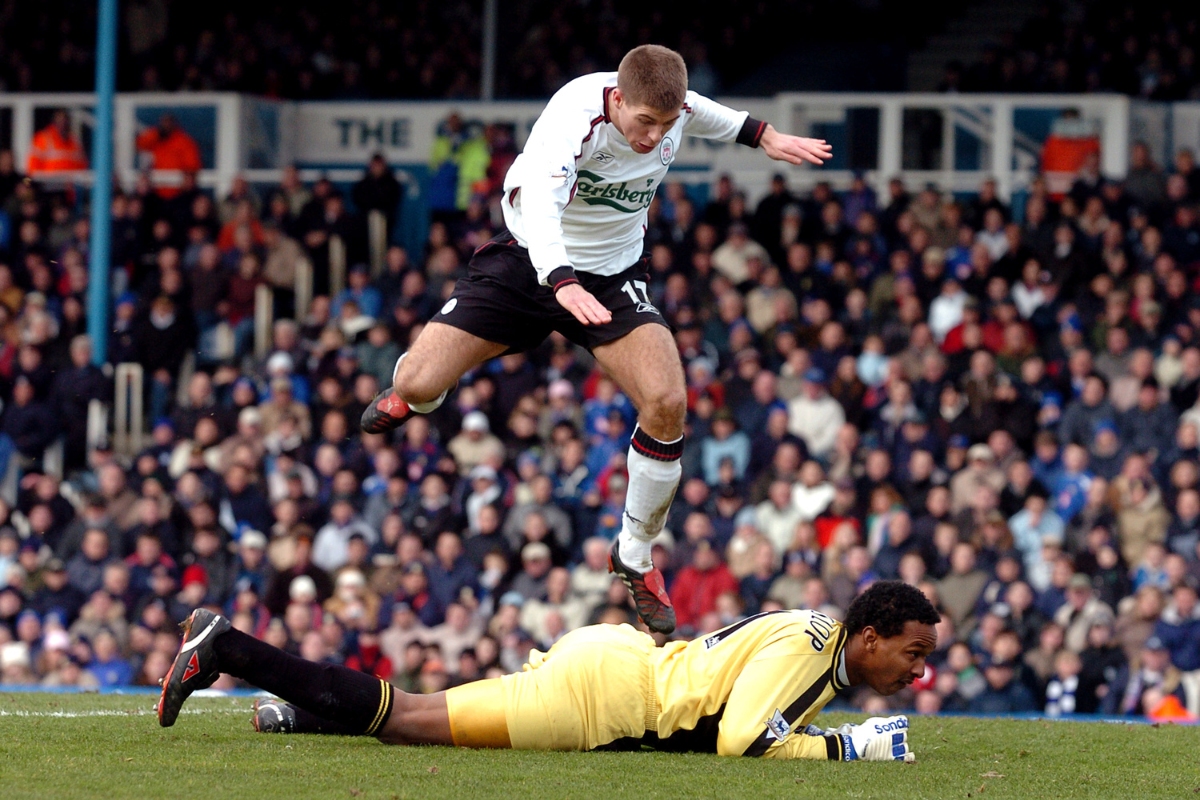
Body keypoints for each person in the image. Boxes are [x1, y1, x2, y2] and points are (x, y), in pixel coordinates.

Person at [359, 44, 831, 635]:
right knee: (417, 381)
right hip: (529, 260)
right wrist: (559, 280)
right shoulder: (571, 117)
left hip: (611, 276)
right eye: (644, 122)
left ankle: (633, 554)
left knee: (667, 403)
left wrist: (760, 135)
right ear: (617, 99)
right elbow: (541, 207)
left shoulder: (671, 110)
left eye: (666, 123)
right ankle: (416, 396)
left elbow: (704, 112)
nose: (653, 136)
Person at [160, 581, 935, 762]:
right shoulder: (814, 650)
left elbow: (750, 713)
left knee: (427, 712)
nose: (918, 672)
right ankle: (228, 648)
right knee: (409, 721)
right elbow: (742, 742)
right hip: (607, 700)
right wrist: (846, 748)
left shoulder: (816, 634)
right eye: (913, 653)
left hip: (616, 661)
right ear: (869, 638)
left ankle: (299, 714)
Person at [26, 109, 87, 176]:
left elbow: (82, 165)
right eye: (59, 120)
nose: (62, 124)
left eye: (65, 121)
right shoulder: (43, 138)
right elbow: (33, 165)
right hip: (48, 183)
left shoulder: (75, 141)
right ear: (53, 122)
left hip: (72, 184)